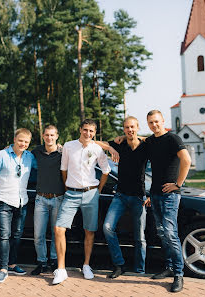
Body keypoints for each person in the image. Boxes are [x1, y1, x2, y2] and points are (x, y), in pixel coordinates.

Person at [52, 119, 111, 285]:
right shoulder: (69, 146)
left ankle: (86, 265)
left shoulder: (97, 149)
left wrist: (98, 191)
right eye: (85, 130)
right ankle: (61, 269)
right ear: (80, 129)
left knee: (89, 231)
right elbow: (63, 169)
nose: (88, 134)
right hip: (71, 194)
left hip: (91, 194)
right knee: (58, 228)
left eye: (91, 131)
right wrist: (67, 187)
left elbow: (106, 171)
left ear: (94, 133)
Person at [95, 116, 150, 278]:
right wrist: (110, 148)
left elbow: (158, 141)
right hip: (120, 196)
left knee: (140, 237)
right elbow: (94, 142)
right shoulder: (120, 144)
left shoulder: (146, 146)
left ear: (138, 127)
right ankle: (119, 265)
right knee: (107, 227)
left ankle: (140, 271)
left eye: (132, 127)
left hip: (139, 198)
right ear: (124, 129)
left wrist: (151, 194)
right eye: (126, 127)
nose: (129, 130)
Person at [145, 110, 191, 293]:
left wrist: (177, 184)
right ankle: (170, 266)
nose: (154, 125)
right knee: (162, 233)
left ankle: (179, 274)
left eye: (156, 121)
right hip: (154, 194)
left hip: (170, 195)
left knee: (171, 233)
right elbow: (137, 139)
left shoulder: (173, 139)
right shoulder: (150, 141)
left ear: (163, 121)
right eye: (150, 122)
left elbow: (186, 160)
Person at [0, 128, 36, 284]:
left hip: (22, 201)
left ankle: (12, 264)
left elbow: (43, 164)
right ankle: (3, 269)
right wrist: (2, 187)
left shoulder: (29, 157)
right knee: (4, 235)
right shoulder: (0, 156)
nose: (23, 144)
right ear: (14, 139)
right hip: (4, 201)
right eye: (21, 140)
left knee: (17, 234)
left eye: (26, 142)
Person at [30, 125, 65, 275]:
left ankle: (53, 261)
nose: (49, 138)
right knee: (38, 234)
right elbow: (20, 153)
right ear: (43, 136)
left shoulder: (63, 152)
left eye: (52, 135)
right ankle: (41, 262)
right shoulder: (36, 152)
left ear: (57, 136)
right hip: (41, 199)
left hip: (58, 198)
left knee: (56, 233)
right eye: (47, 135)